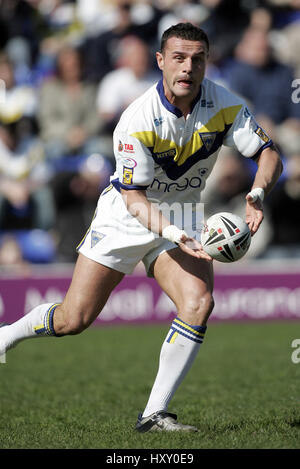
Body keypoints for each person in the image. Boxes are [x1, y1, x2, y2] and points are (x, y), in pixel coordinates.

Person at [0, 23, 282, 432]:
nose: (188, 67)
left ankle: (154, 414)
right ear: (161, 61)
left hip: (183, 215)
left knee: (198, 302)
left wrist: (256, 194)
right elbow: (134, 198)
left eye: (197, 59)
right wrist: (170, 233)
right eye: (179, 58)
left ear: (206, 63)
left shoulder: (226, 105)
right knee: (72, 319)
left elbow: (269, 153)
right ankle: (8, 333)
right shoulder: (137, 119)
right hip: (126, 218)